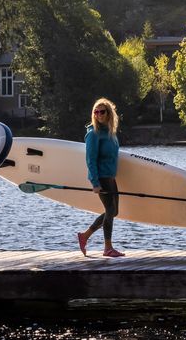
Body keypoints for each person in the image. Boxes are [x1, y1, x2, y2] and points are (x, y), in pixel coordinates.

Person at [76, 98, 124, 257]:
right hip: (101, 178)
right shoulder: (93, 134)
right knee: (110, 210)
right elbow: (90, 160)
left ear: (109, 113)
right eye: (96, 112)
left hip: (110, 177)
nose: (98, 115)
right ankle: (108, 248)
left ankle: (84, 236)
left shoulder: (110, 133)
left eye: (102, 111)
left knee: (114, 211)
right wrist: (95, 183)